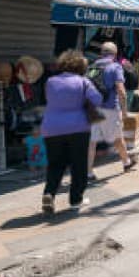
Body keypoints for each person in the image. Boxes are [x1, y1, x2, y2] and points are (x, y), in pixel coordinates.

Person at [40, 50, 102, 213]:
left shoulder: (50, 81)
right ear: (81, 66)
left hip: (51, 128)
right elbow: (97, 99)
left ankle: (49, 193)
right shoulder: (83, 82)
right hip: (78, 127)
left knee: (55, 164)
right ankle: (76, 199)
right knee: (78, 164)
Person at [87, 42, 136, 179]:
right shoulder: (115, 67)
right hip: (110, 109)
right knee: (118, 138)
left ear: (101, 53)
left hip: (93, 109)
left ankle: (88, 172)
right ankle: (126, 163)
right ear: (115, 54)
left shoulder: (92, 66)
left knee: (92, 142)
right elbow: (121, 91)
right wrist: (125, 110)